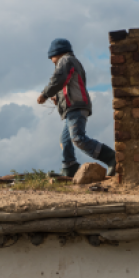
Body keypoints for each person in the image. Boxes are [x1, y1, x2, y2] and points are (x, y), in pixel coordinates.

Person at [37, 38, 116, 178]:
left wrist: (45, 94)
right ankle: (70, 166)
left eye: (51, 57)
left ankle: (111, 157)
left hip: (76, 107)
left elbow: (59, 80)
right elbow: (69, 85)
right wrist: (58, 99)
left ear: (56, 53)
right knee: (65, 139)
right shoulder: (71, 62)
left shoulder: (65, 60)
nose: (51, 61)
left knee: (78, 138)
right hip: (72, 107)